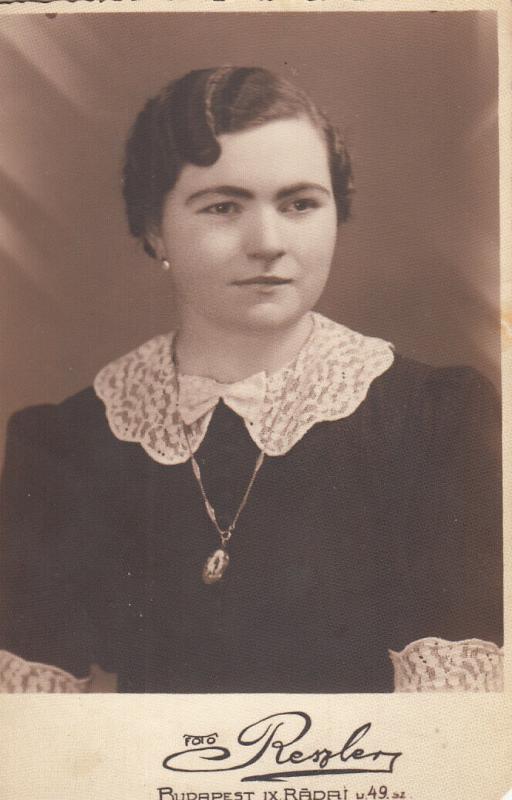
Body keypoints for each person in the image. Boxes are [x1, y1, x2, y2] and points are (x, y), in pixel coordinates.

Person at [0, 66, 503, 693]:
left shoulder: (434, 419)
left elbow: (453, 741)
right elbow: (35, 744)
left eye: (299, 204)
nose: (267, 242)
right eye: (222, 206)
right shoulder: (65, 444)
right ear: (154, 227)